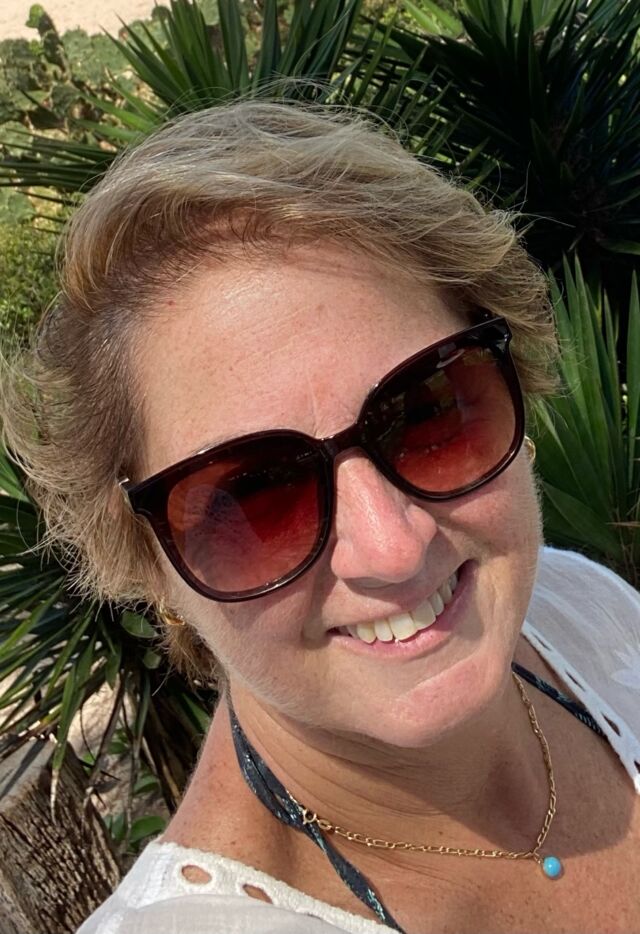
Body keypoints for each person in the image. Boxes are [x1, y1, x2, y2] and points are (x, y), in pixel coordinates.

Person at [2, 101, 639, 934]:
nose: (392, 547)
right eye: (253, 497)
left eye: (426, 411)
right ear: (148, 565)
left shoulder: (579, 608)